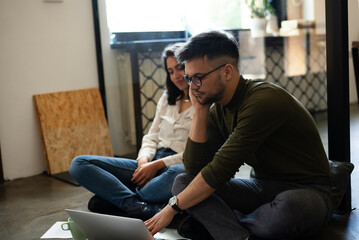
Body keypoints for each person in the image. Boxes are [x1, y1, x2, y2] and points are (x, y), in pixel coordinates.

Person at [145, 31, 334, 240]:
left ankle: (218, 224)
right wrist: (200, 112)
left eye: (198, 78)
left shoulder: (262, 101)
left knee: (288, 211)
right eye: (189, 79)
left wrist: (172, 208)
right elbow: (194, 169)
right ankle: (239, 235)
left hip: (308, 191)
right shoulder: (216, 108)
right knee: (182, 181)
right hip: (261, 187)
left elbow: (220, 170)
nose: (192, 88)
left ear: (227, 71)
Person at [69, 42, 194, 220]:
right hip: (152, 162)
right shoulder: (167, 98)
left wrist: (158, 166)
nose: (176, 75)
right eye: (170, 71)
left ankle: (121, 200)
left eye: (180, 68)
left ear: (191, 66)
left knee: (178, 175)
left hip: (175, 167)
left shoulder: (205, 104)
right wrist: (143, 162)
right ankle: (140, 206)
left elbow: (196, 154)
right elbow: (151, 137)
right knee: (79, 164)